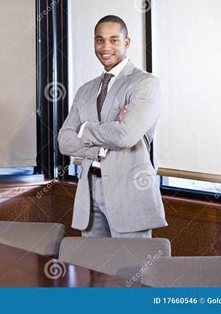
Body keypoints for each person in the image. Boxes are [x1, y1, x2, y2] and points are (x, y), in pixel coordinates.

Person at [58, 15, 167, 238]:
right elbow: (65, 142)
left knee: (132, 269)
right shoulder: (85, 90)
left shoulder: (144, 83)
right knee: (94, 269)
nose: (105, 47)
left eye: (114, 40)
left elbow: (125, 135)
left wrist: (85, 128)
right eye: (99, 40)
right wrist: (99, 146)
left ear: (127, 43)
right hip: (90, 191)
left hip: (130, 192)